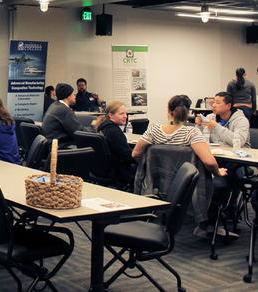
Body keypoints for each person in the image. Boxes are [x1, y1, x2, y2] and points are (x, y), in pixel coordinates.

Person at [132, 95, 228, 239]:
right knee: (223, 184)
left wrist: (150, 167)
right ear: (188, 113)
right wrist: (218, 172)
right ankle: (207, 224)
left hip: (157, 185)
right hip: (186, 186)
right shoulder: (192, 133)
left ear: (168, 110)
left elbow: (136, 154)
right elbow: (209, 162)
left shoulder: (154, 130)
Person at [94, 101, 136, 188]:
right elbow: (128, 157)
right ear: (111, 115)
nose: (125, 116)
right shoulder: (114, 131)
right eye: (121, 114)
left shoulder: (103, 127)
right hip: (119, 171)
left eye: (126, 113)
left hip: (106, 170)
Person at [41, 83, 91, 147]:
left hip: (52, 146)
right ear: (68, 96)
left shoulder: (54, 105)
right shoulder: (64, 110)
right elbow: (79, 133)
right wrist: (94, 126)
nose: (75, 96)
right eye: (73, 94)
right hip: (60, 148)